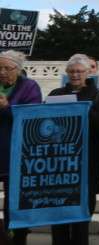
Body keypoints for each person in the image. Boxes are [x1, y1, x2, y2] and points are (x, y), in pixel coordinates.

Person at [44, 54, 99, 245]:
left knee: (82, 214)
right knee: (58, 212)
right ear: (67, 73)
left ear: (88, 73)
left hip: (87, 164)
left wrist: (80, 110)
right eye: (72, 71)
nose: (75, 74)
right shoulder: (55, 95)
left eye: (80, 71)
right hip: (60, 165)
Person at [0, 50, 42, 245]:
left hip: (17, 154)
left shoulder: (29, 87)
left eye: (7, 68)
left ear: (18, 69)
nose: (2, 72)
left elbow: (32, 119)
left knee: (15, 202)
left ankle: (18, 238)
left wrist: (7, 108)